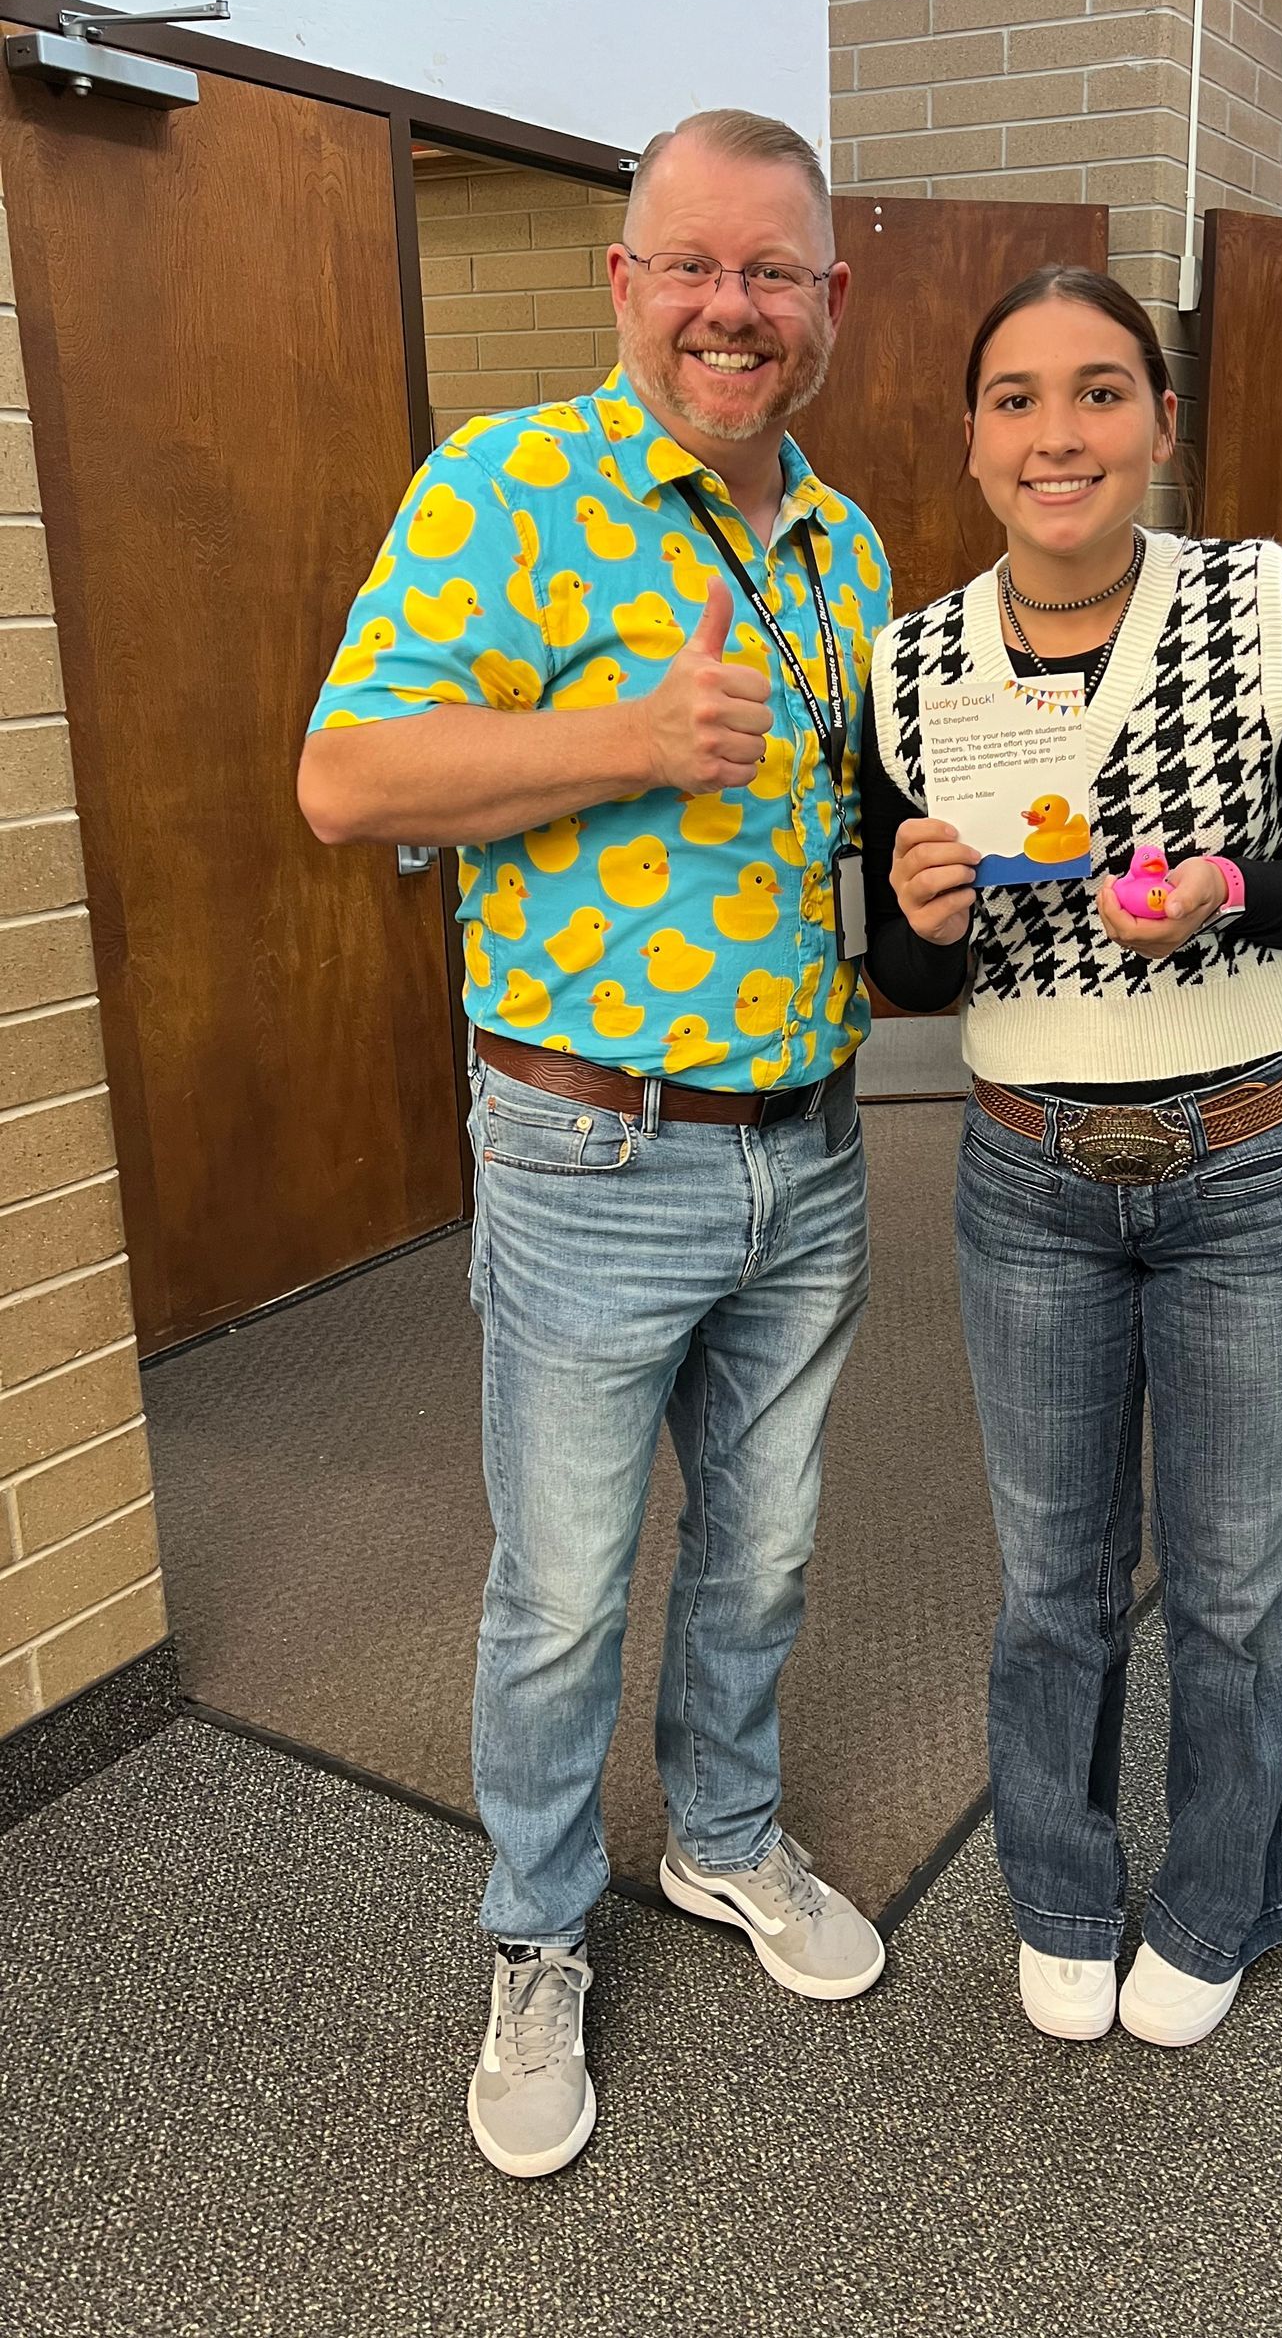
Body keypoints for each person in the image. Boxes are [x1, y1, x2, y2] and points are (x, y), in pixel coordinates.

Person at [298, 109, 892, 2179]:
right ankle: (536, 1934)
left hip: (806, 1147)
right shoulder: (510, 489)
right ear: (625, 282)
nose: (734, 305)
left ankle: (721, 1839)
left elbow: (823, 839)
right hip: (589, 1157)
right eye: (692, 263)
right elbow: (346, 777)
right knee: (560, 1588)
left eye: (776, 271)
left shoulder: (845, 542)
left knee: (768, 1545)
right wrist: (621, 739)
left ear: (831, 301)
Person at [862, 267, 1282, 2050]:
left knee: (1240, 1581)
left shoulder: (1254, 605)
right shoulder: (920, 661)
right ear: (971, 441)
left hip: (1248, 1160)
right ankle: (1062, 1886)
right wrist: (919, 914)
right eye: (1016, 399)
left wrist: (1232, 895)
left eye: (1100, 393)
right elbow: (916, 978)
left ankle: (1220, 1896)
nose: (1058, 434)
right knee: (1051, 1576)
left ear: (1161, 422)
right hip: (1028, 1172)